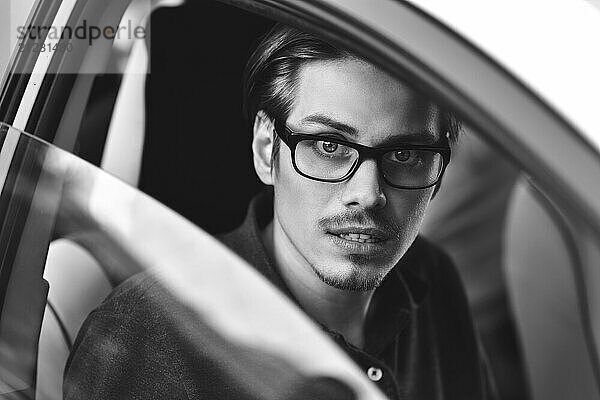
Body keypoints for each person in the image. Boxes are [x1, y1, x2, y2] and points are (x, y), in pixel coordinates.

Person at [64, 24, 493, 399]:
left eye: (405, 153)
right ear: (267, 148)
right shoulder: (146, 338)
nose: (368, 193)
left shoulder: (434, 278)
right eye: (330, 146)